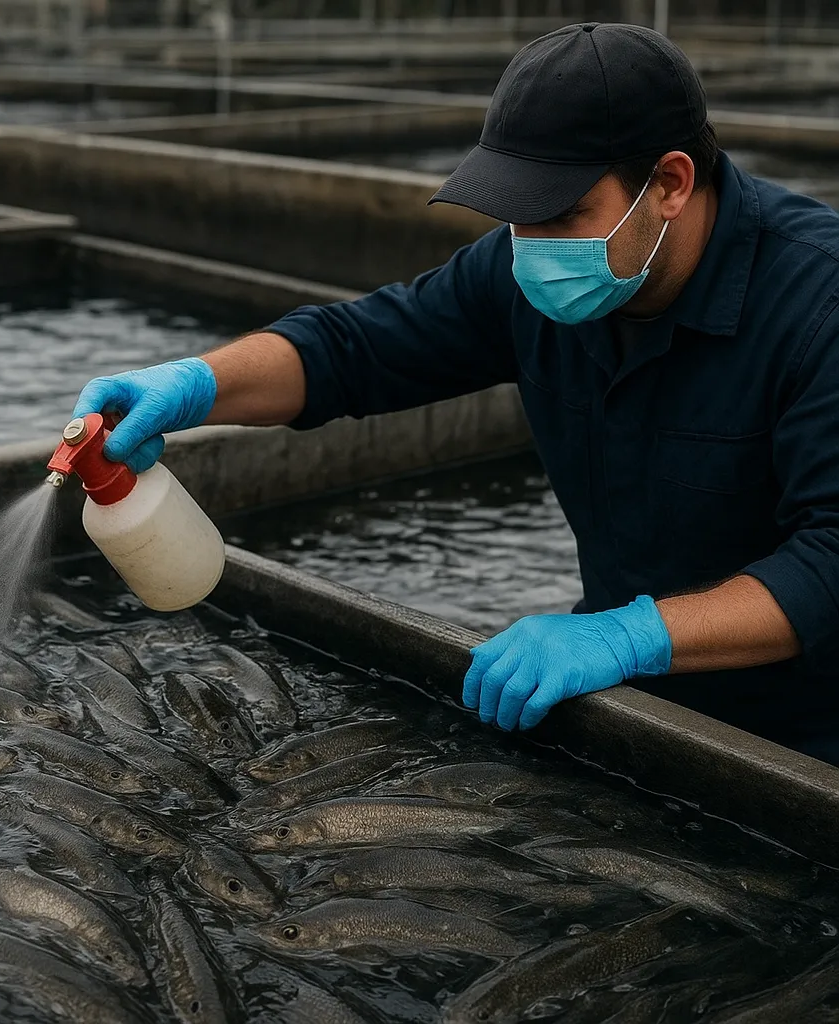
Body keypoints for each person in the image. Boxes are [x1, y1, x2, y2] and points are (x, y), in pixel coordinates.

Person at [70, 23, 839, 763]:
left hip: (806, 738)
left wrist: (625, 636)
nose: (535, 247)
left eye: (565, 213)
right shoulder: (531, 275)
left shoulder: (817, 305)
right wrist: (198, 385)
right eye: (516, 216)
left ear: (669, 183)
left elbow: (830, 561)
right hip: (632, 703)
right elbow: (354, 349)